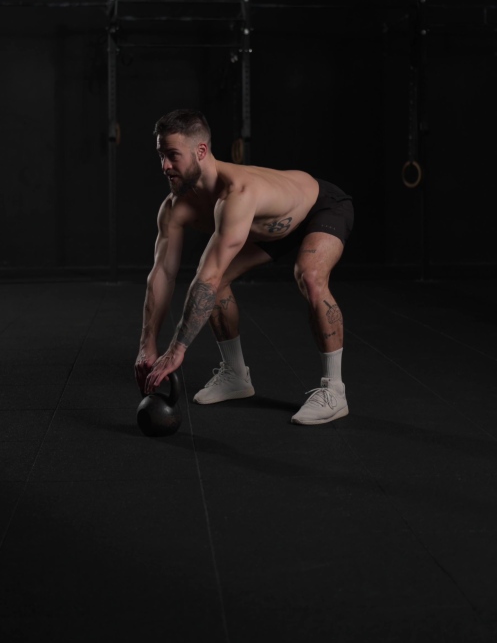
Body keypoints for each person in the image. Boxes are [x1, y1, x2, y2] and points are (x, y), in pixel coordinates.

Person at [134, 109, 354, 425]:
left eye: (172, 156)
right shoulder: (174, 207)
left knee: (309, 275)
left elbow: (205, 279)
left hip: (321, 207)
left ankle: (335, 390)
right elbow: (163, 273)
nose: (165, 166)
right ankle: (236, 375)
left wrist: (177, 349)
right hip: (270, 226)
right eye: (161, 155)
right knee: (217, 278)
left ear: (201, 151)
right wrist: (148, 344)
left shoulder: (237, 192)